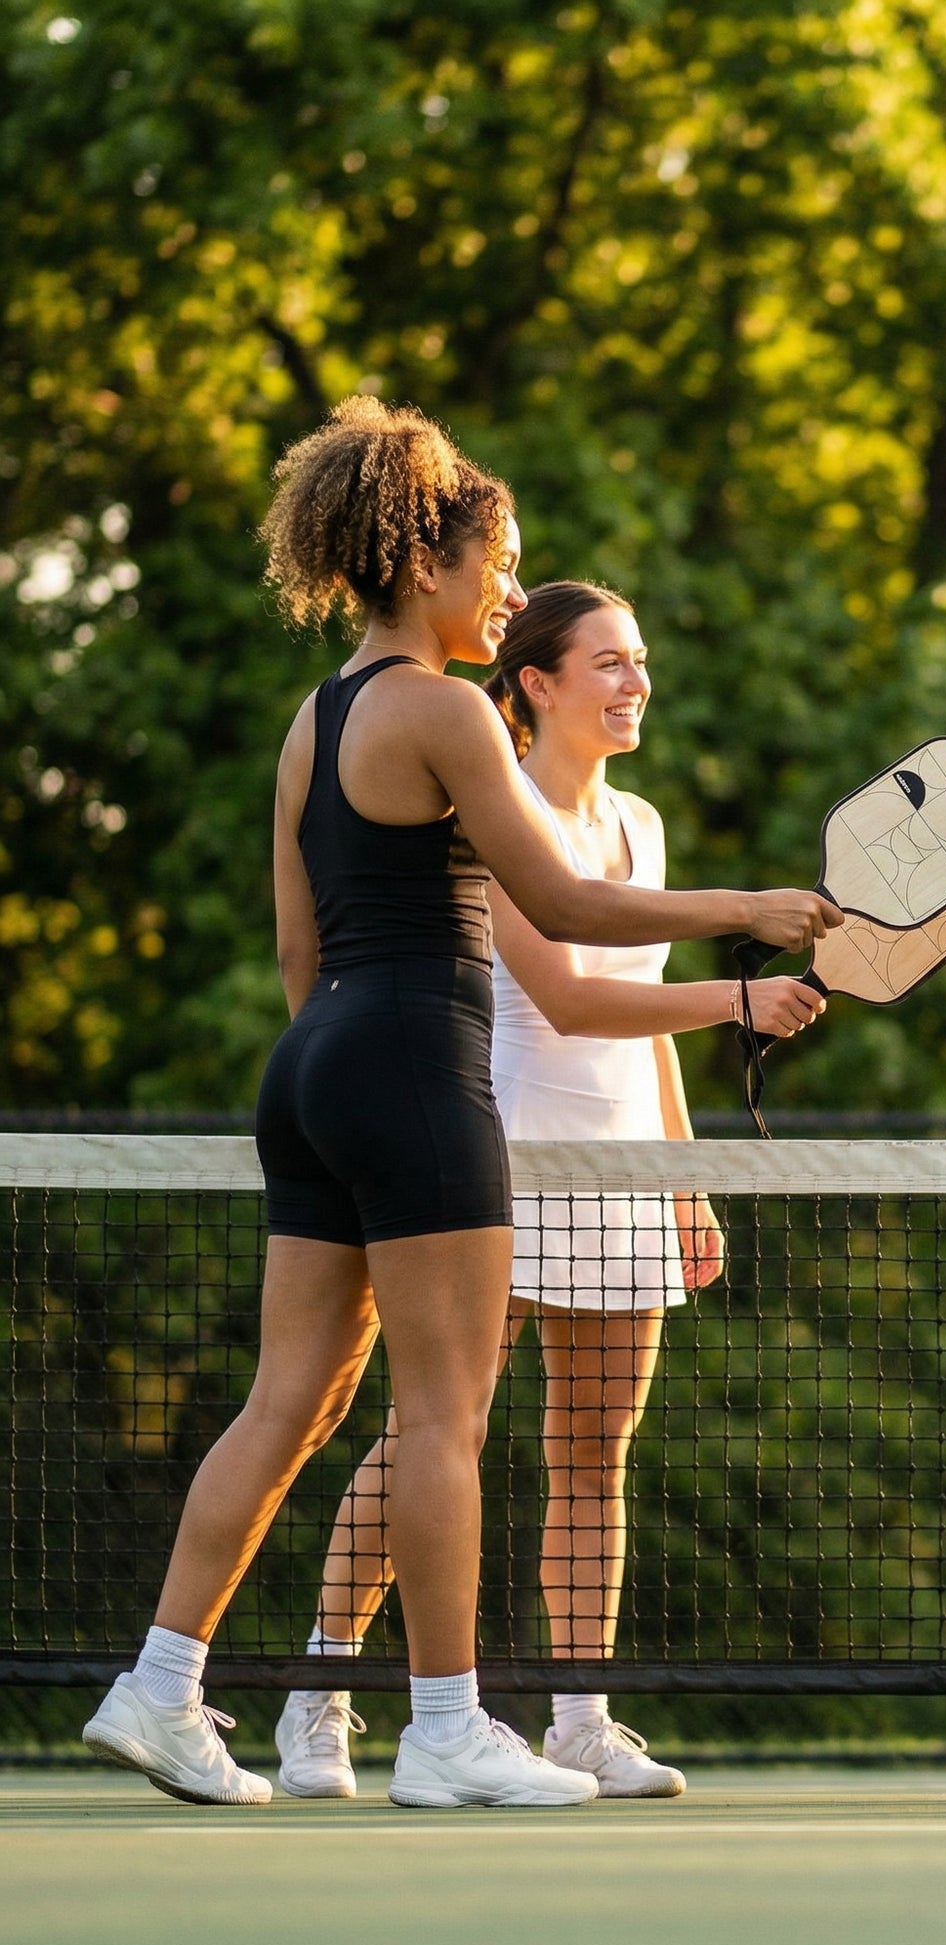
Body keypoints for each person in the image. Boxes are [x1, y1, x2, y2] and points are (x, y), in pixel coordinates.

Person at [81, 399, 837, 1809]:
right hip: (417, 1068)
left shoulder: (319, 718)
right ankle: (444, 1728)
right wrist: (749, 911)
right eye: (500, 565)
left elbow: (300, 947)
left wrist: (346, 1069)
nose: (508, 589)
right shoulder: (439, 707)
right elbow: (554, 898)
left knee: (291, 1404)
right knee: (445, 1413)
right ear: (424, 565)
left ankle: (159, 1685)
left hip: (312, 1068)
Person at [272, 580, 825, 1802]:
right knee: (432, 1429)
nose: (635, 685)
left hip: (622, 1165)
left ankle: (580, 1717)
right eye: (609, 663)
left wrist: (683, 1179)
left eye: (640, 663)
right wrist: (736, 994)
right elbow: (573, 995)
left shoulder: (645, 820)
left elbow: (649, 1032)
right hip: (496, 1153)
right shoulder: (492, 805)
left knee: (594, 1448)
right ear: (535, 682)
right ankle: (318, 1689)